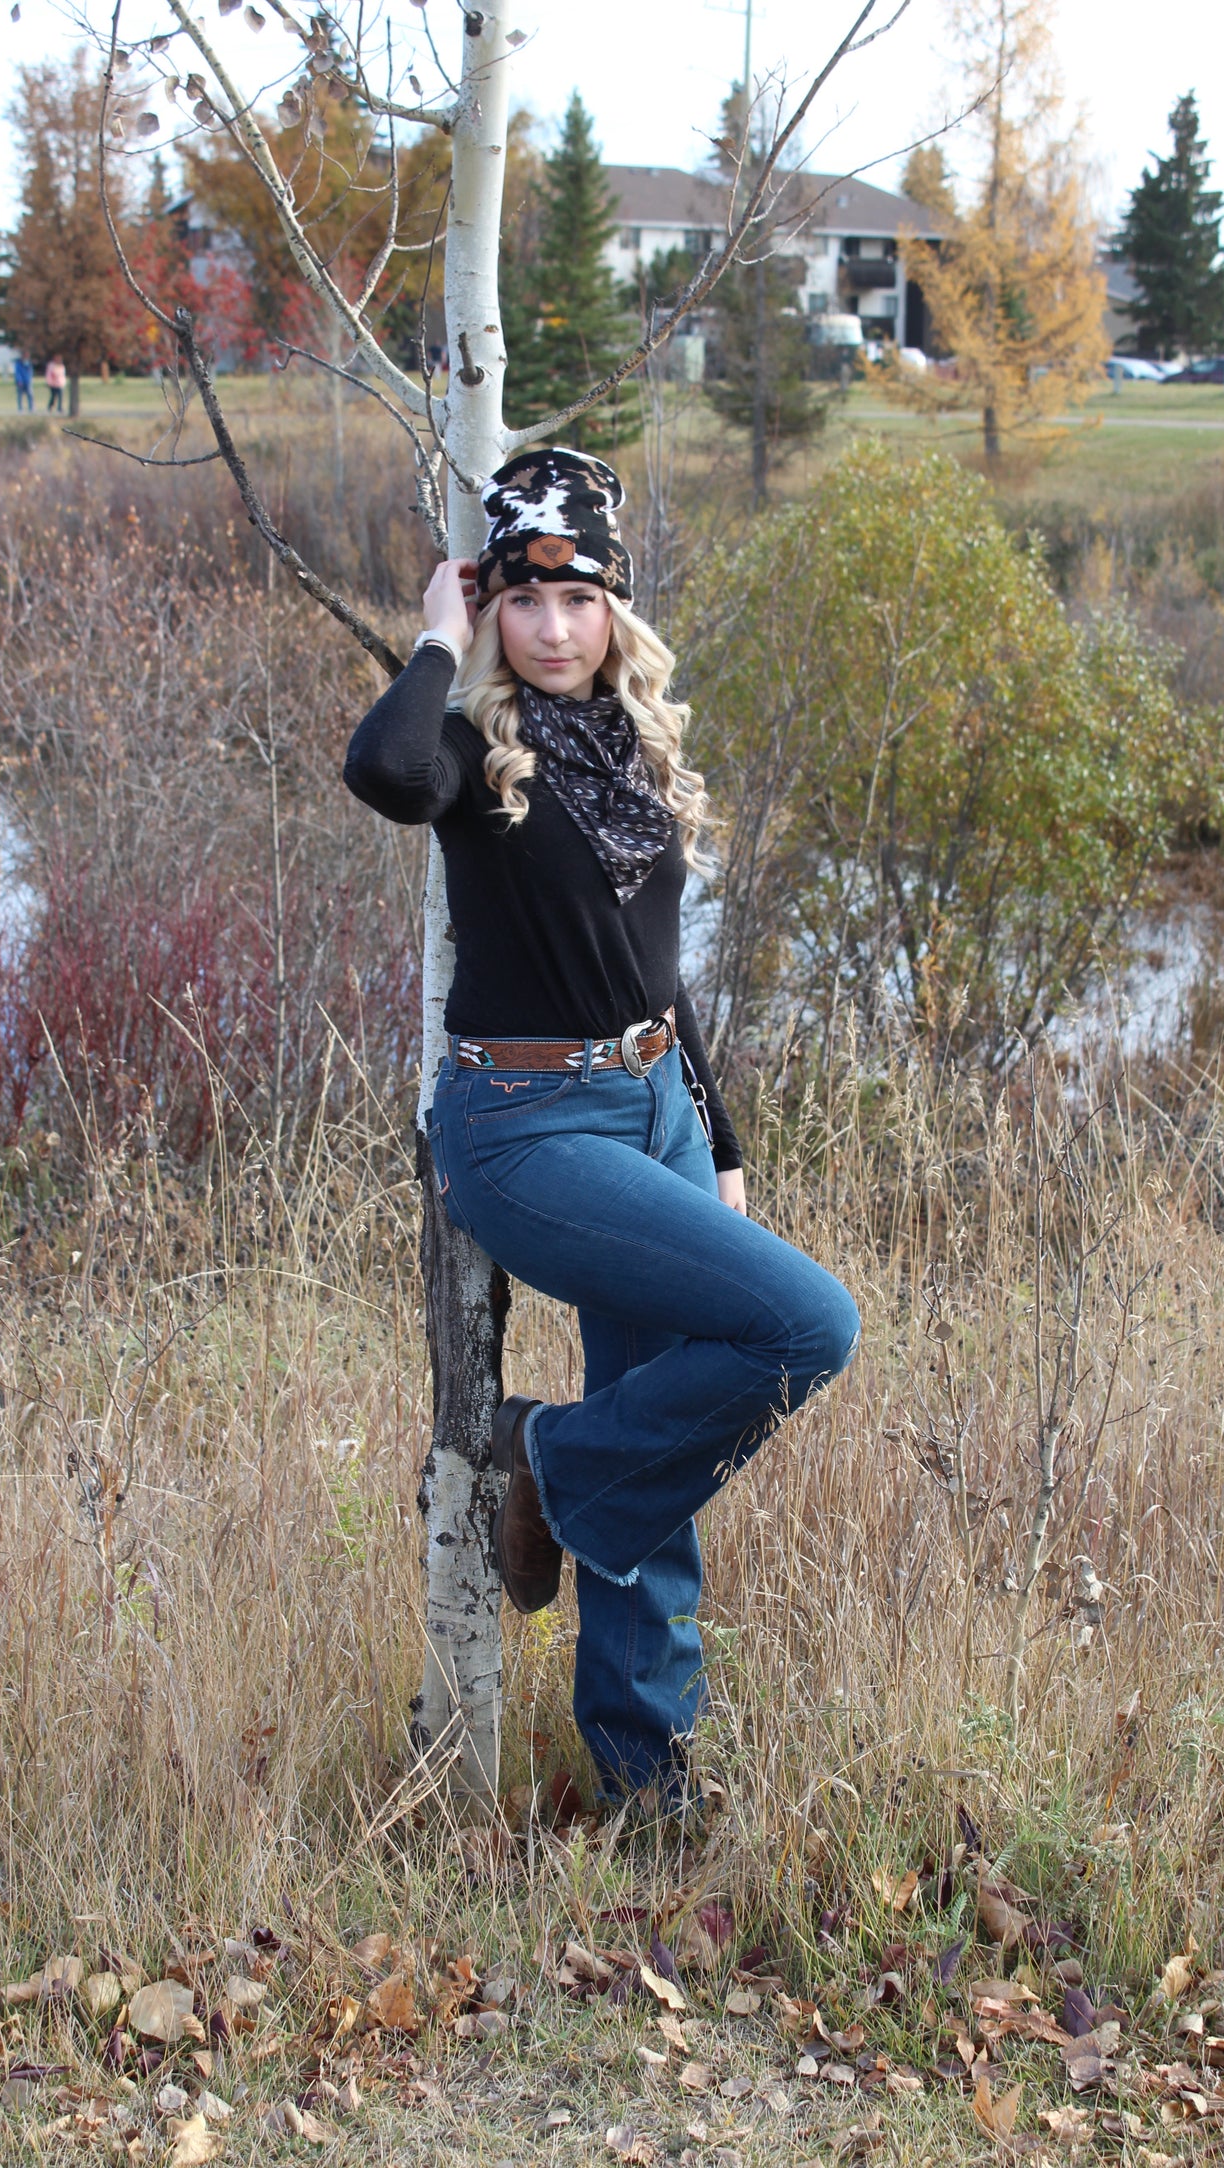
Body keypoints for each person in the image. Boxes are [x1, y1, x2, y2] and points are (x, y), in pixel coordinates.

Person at [343, 447, 860, 1805]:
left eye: (578, 601)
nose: (555, 629)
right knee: (811, 1327)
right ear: (495, 611)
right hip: (523, 1126)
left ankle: (643, 1772)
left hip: (654, 1107)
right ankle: (548, 1455)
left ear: (616, 609)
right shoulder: (468, 749)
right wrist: (435, 635)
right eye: (524, 601)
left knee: (670, 1433)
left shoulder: (634, 750)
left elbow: (658, 975)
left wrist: (725, 1143)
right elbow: (383, 772)